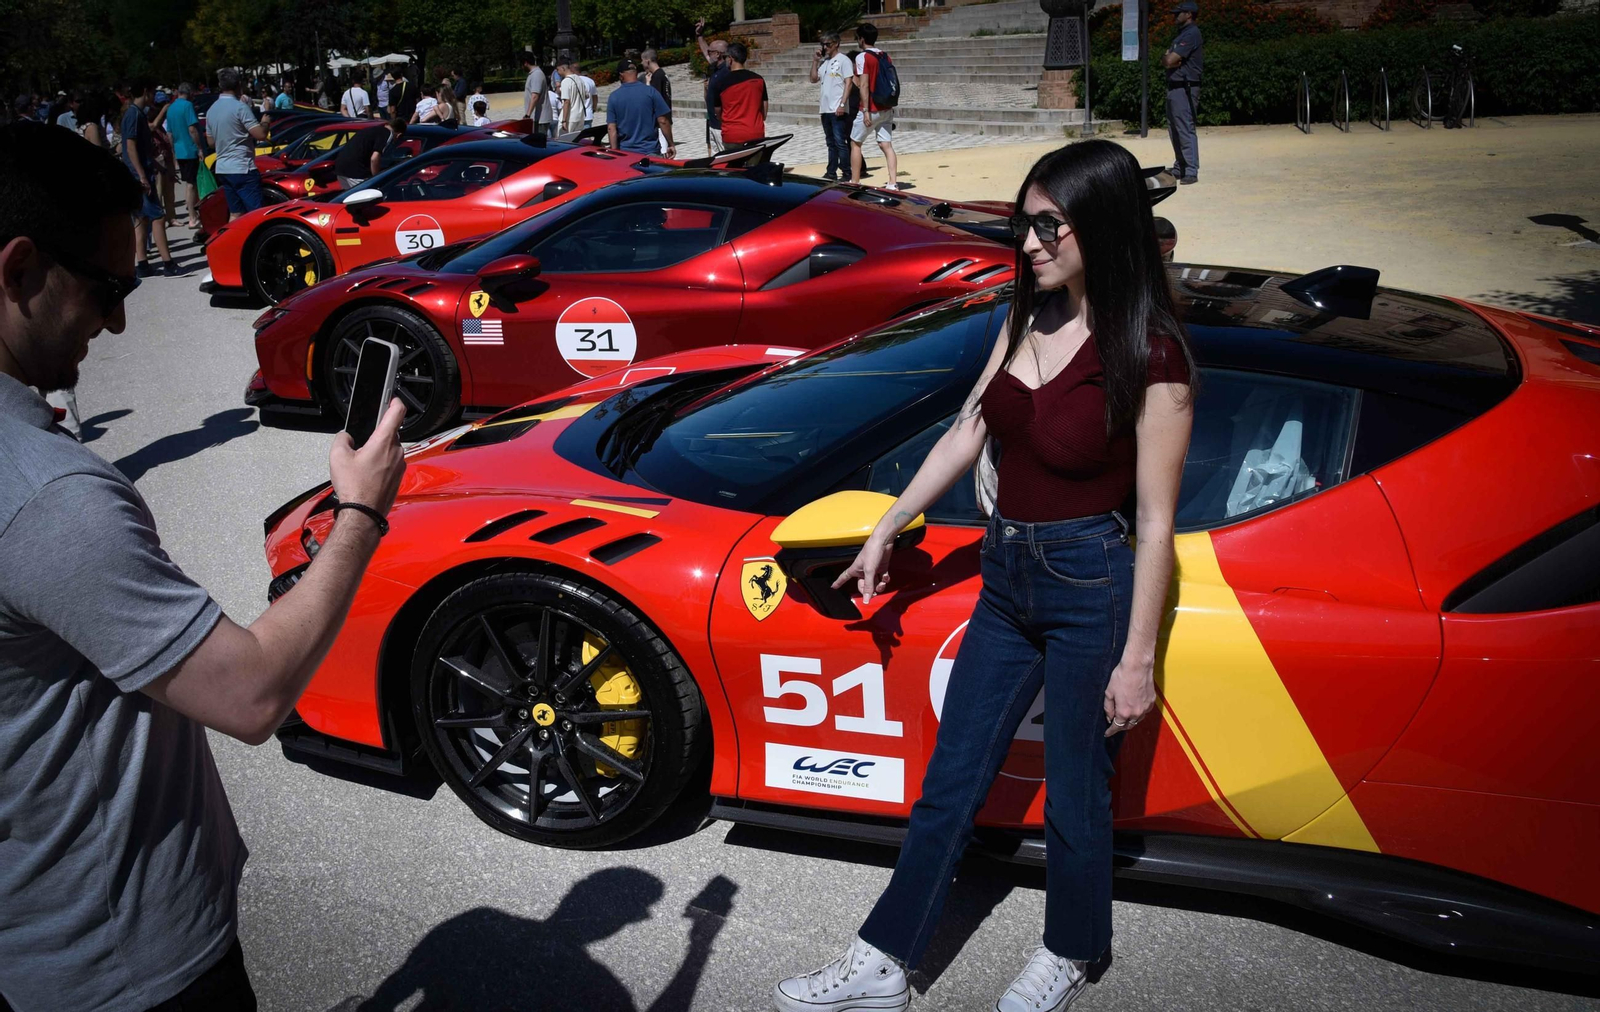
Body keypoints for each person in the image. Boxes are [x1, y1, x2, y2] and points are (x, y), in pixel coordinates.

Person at [772, 139, 1195, 1012]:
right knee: (951, 782)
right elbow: (969, 427)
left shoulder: (1152, 355)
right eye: (1023, 225)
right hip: (1006, 578)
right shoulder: (1026, 313)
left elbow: (1157, 521)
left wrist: (1138, 659)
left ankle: (1070, 950)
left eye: (1050, 227)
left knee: (1076, 793)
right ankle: (883, 962)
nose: (1030, 244)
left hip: (1090, 582)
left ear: (1102, 227)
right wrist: (889, 520)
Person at [0, 121, 408, 1012]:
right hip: (129, 957)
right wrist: (361, 511)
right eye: (108, 287)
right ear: (19, 270)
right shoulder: (51, 497)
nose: (117, 320)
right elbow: (251, 695)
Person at [120, 83, 179, 277]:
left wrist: (160, 168)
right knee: (158, 217)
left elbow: (142, 150)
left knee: (142, 220)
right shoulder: (133, 114)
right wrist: (142, 176)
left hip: (141, 173)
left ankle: (143, 265)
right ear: (145, 92)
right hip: (139, 175)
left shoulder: (137, 113)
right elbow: (130, 147)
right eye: (153, 93)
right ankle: (168, 264)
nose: (154, 96)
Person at [206, 68, 270, 221]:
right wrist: (265, 122)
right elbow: (261, 135)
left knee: (235, 214)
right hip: (242, 167)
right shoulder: (240, 107)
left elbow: (211, 142)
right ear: (238, 84)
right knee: (257, 214)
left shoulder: (212, 110)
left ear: (220, 85)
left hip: (223, 168)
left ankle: (231, 237)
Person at [850, 22, 900, 190]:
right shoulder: (885, 55)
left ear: (862, 39)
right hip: (886, 106)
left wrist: (865, 110)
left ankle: (855, 181)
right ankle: (893, 182)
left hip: (871, 107)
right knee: (886, 145)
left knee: (855, 143)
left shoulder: (862, 57)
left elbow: (864, 85)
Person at [1162, 0, 1203, 184]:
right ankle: (1180, 166)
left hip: (1185, 88)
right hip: (1174, 87)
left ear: (1189, 15)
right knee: (1174, 129)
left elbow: (1170, 60)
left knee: (1185, 128)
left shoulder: (1192, 33)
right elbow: (1167, 60)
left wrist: (1170, 58)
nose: (1175, 16)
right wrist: (1169, 58)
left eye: (1178, 13)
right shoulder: (1182, 34)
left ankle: (1191, 170)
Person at [606, 58, 674, 157]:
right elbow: (663, 120)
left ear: (621, 75)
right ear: (636, 73)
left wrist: (614, 152)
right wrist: (671, 144)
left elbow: (611, 128)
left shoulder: (614, 97)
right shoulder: (651, 92)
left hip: (626, 153)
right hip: (650, 151)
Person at [705, 43, 767, 147]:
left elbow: (718, 113)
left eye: (725, 57)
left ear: (730, 59)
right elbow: (764, 113)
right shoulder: (759, 80)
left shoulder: (721, 83)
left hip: (732, 135)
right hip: (756, 133)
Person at [809, 33, 852, 181]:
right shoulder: (825, 63)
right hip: (825, 109)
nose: (825, 47)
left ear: (836, 44)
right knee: (830, 143)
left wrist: (842, 104)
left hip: (837, 108)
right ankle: (831, 171)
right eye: (823, 44)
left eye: (828, 44)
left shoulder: (844, 60)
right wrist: (815, 61)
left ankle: (846, 172)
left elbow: (848, 83)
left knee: (840, 142)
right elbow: (813, 79)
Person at [164, 83, 203, 230]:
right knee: (191, 184)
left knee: (191, 182)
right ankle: (192, 217)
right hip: (189, 149)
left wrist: (173, 151)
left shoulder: (171, 108)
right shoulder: (187, 106)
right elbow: (192, 129)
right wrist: (199, 148)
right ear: (190, 92)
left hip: (179, 150)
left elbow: (169, 133)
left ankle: (195, 213)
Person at [694, 20, 731, 154]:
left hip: (722, 125)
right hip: (712, 123)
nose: (707, 53)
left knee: (724, 155)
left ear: (718, 54)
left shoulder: (726, 71)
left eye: (711, 52)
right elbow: (705, 51)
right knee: (714, 157)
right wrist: (699, 35)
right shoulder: (715, 66)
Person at [335, 119, 403, 190]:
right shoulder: (387, 134)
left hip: (340, 168)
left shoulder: (370, 130)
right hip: (356, 172)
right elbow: (374, 158)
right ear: (399, 135)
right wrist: (377, 179)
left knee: (350, 195)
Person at [639, 49, 673, 154]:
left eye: (642, 60)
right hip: (665, 118)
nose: (641, 63)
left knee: (662, 153)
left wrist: (648, 85)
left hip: (660, 122)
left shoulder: (657, 77)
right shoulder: (662, 74)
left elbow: (652, 99)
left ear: (647, 61)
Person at [521, 51, 549, 137]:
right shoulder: (533, 74)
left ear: (526, 63)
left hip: (540, 119)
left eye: (521, 65)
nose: (521, 67)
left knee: (538, 142)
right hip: (536, 118)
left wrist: (527, 115)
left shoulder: (536, 75)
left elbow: (535, 96)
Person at [558, 58, 585, 135]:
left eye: (558, 69)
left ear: (563, 68)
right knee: (576, 140)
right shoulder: (579, 79)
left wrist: (564, 120)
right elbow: (586, 95)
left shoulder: (566, 81)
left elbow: (566, 101)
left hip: (570, 118)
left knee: (564, 140)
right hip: (580, 116)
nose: (558, 72)